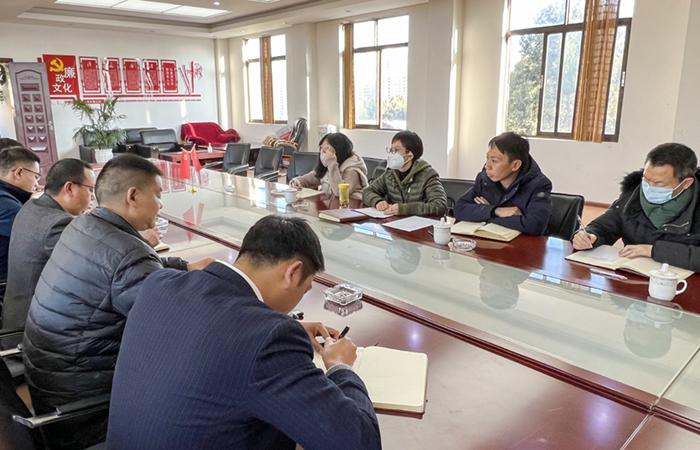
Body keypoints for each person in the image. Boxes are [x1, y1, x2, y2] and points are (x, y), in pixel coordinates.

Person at [107, 215, 381, 450]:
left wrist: (289, 325)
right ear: (293, 272)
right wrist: (341, 367)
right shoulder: (270, 338)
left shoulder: (159, 284)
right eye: (305, 289)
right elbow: (359, 442)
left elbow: (212, 328)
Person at [22, 154, 213, 449]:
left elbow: (120, 268)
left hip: (50, 385)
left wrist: (184, 266)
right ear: (133, 196)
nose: (161, 205)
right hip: (86, 410)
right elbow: (178, 329)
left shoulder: (84, 225)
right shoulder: (128, 255)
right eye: (158, 195)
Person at [573, 143, 700, 272]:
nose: (649, 188)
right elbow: (605, 226)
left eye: (658, 183)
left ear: (686, 183)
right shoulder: (631, 197)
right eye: (646, 180)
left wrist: (653, 250)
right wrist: (589, 236)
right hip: (632, 275)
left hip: (681, 280)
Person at [3, 159, 95, 331]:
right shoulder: (57, 224)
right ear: (69, 188)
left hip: (16, 312)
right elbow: (93, 270)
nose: (93, 197)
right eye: (90, 189)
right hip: (34, 327)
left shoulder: (32, 206)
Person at [454, 132, 552, 235]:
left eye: (494, 161)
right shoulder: (484, 178)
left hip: (521, 243)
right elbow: (459, 209)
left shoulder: (539, 184)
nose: (487, 166)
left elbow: (535, 226)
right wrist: (496, 211)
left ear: (515, 165)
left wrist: (482, 214)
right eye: (487, 158)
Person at [363, 130, 447, 216]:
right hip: (393, 221)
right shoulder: (390, 173)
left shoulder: (428, 175)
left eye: (396, 150)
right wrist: (377, 201)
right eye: (391, 150)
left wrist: (405, 209)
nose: (391, 154)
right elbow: (367, 191)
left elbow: (440, 205)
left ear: (409, 155)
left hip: (418, 222)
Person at [0, 145, 40, 310]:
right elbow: (38, 239)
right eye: (36, 176)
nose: (37, 184)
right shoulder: (8, 206)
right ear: (19, 173)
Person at [290, 132, 368, 199]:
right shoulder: (327, 166)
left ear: (338, 152)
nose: (322, 154)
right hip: (332, 206)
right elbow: (315, 176)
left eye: (325, 151)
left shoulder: (352, 171)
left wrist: (332, 164)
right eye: (321, 150)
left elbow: (339, 193)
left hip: (351, 208)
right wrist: (297, 181)